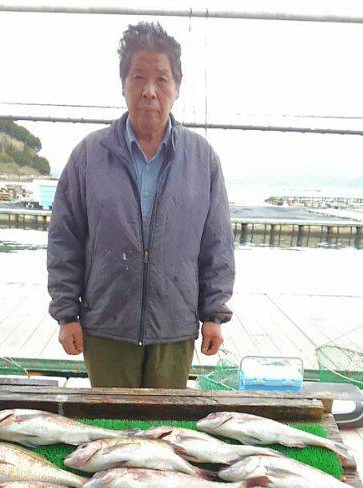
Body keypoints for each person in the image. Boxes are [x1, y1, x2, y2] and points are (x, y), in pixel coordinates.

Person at [47, 21, 235, 389]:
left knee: (165, 434)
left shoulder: (202, 159)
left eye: (162, 79)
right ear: (123, 85)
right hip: (106, 329)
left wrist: (213, 314)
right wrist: (67, 314)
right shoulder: (89, 155)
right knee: (111, 434)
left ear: (177, 88)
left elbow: (217, 244)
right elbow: (64, 239)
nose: (150, 91)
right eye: (138, 77)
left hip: (174, 331)